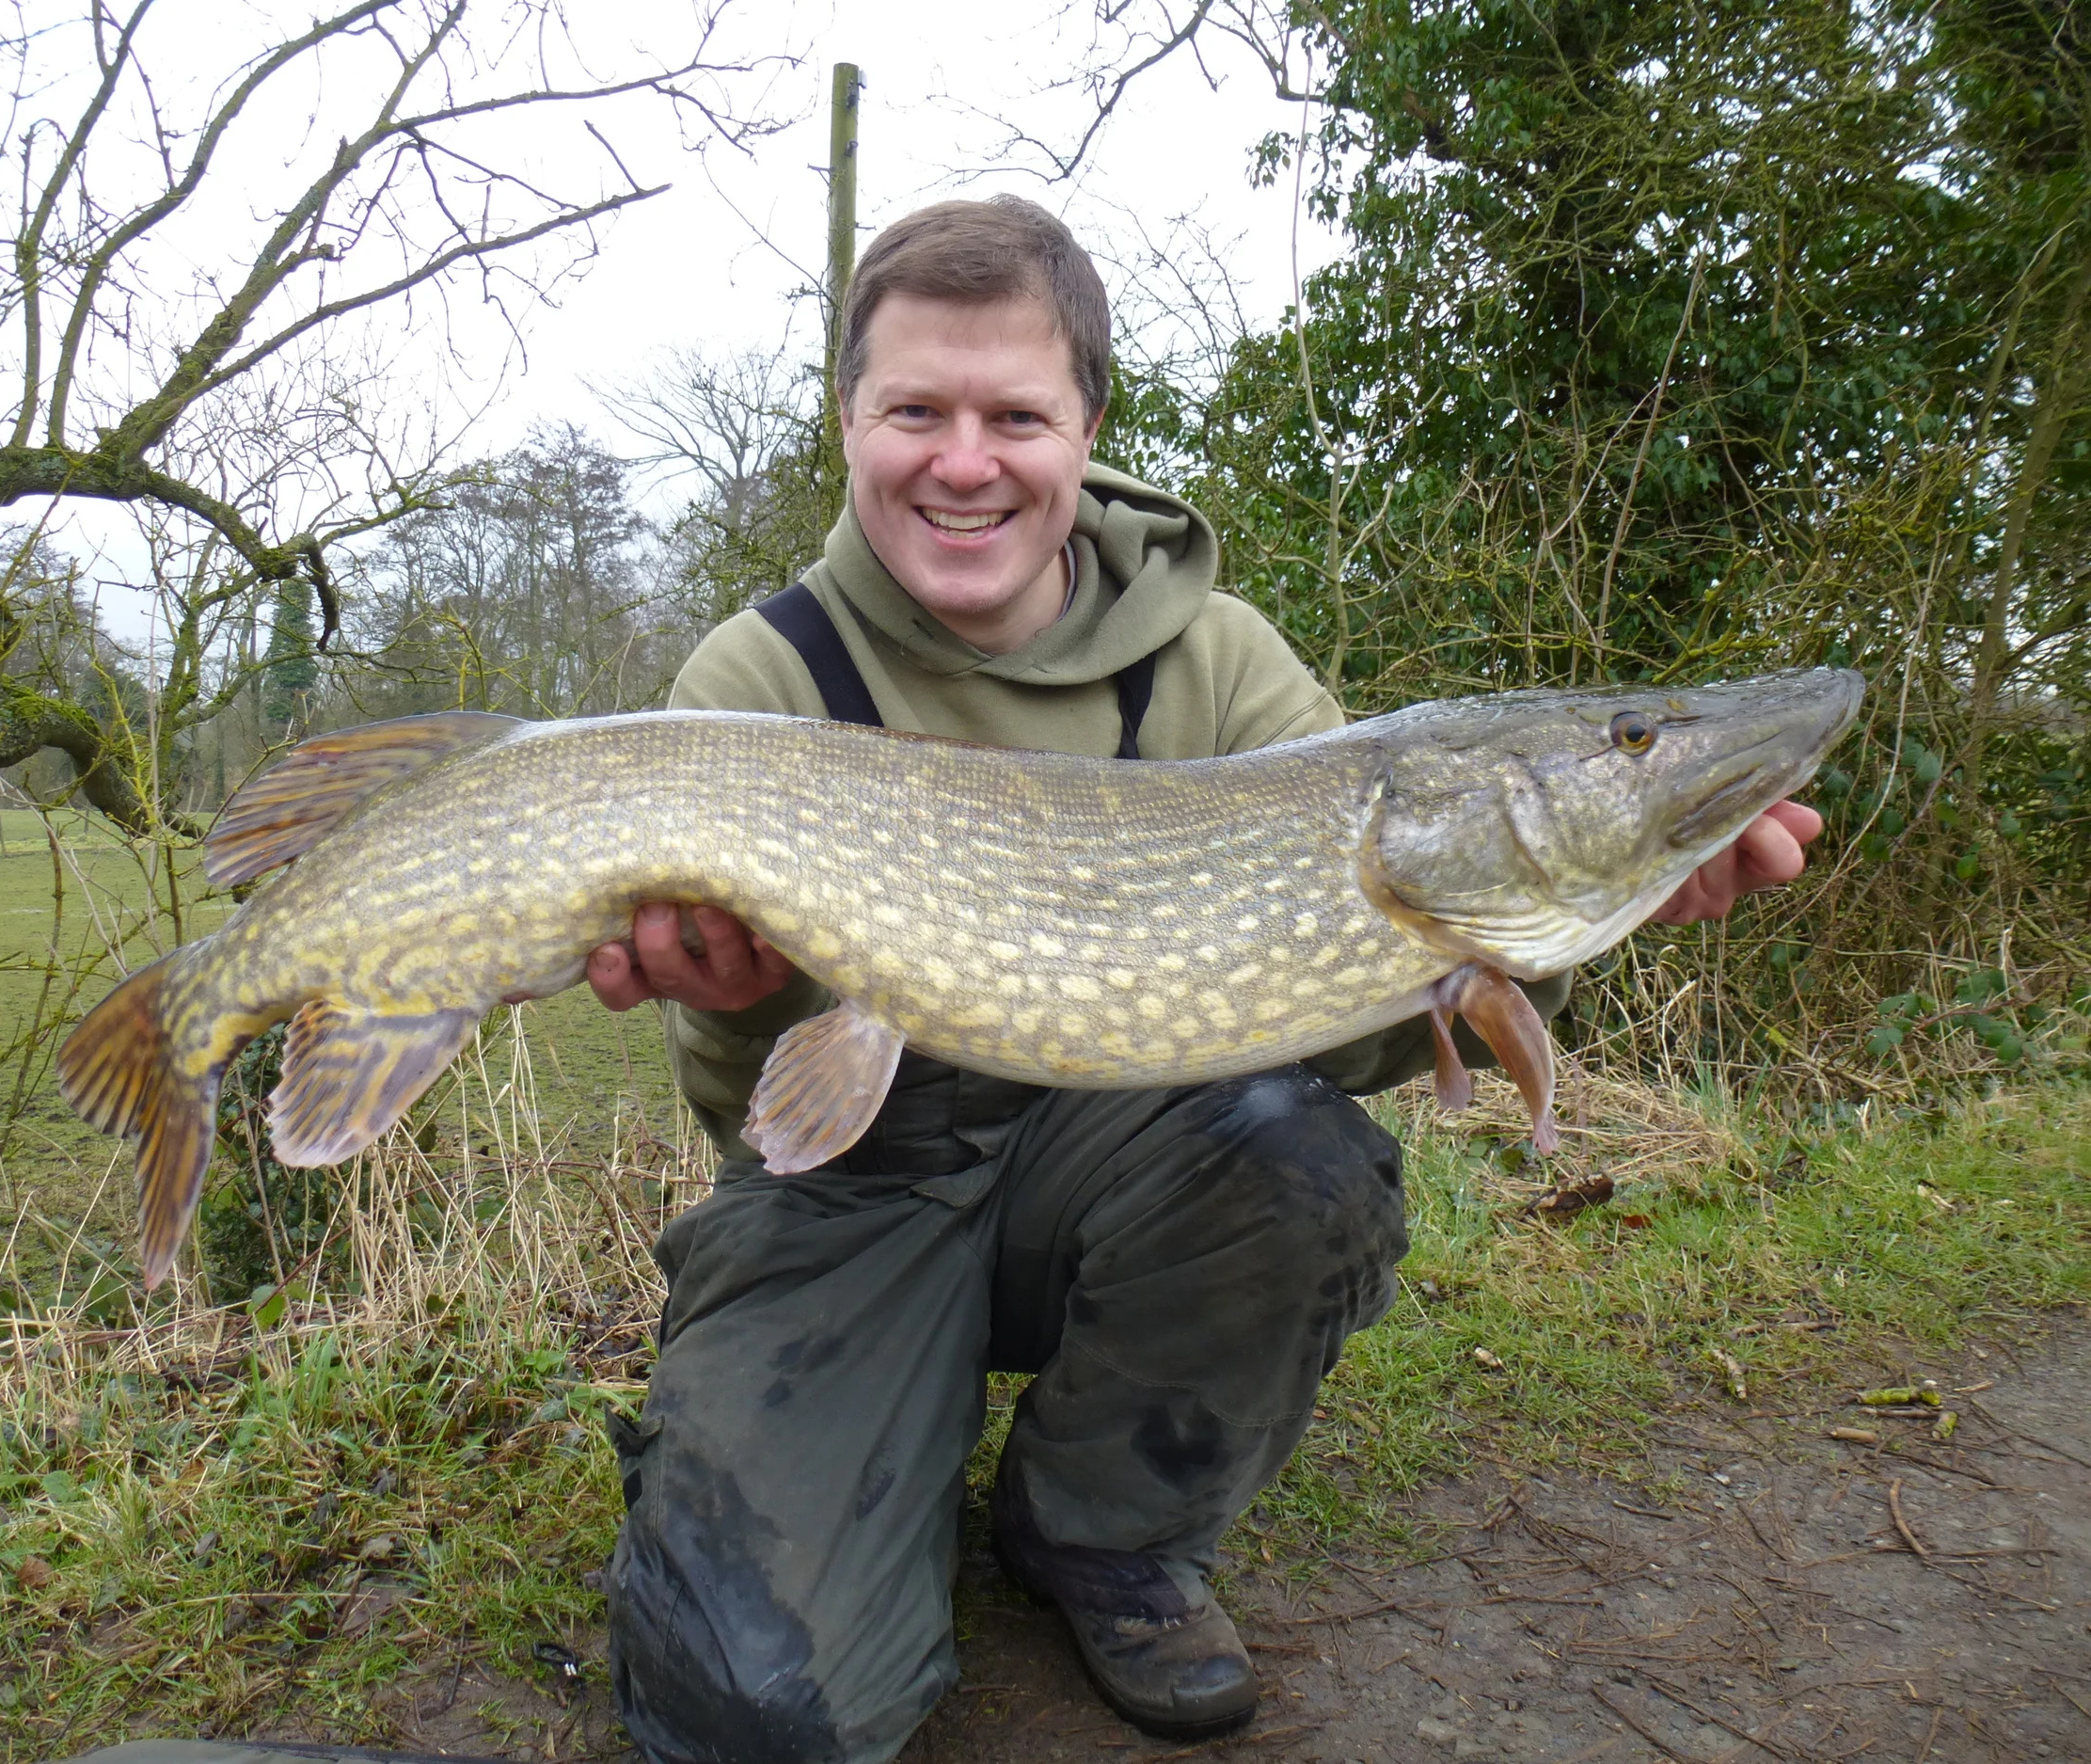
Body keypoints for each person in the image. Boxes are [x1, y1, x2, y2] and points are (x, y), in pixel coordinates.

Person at [584, 197, 1821, 1764]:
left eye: (1015, 416)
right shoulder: (759, 681)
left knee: (1299, 1158)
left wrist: (1535, 934)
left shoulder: (1218, 662)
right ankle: (856, 1452)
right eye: (915, 412)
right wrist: (740, 997)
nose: (964, 461)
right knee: (758, 1715)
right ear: (849, 422)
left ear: (1086, 429)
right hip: (858, 1198)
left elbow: (1335, 1040)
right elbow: (750, 1110)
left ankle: (1099, 1525)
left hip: (1124, 1181)